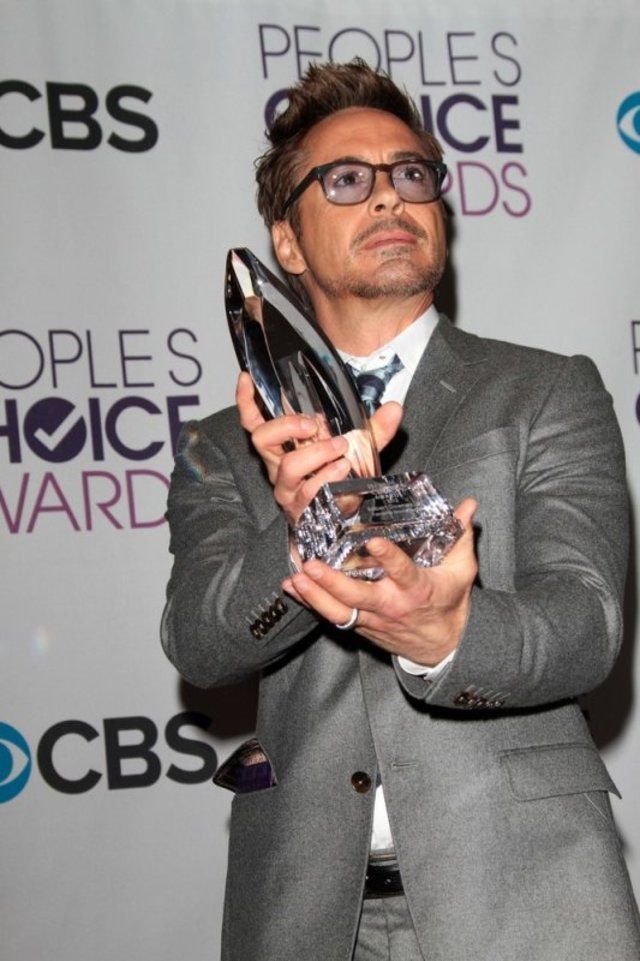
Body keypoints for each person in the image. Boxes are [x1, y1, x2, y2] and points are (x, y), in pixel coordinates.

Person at [161, 59, 640, 961]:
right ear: (287, 242)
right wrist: (300, 530)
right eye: (346, 179)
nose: (390, 196)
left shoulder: (546, 389)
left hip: (528, 897)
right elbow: (199, 641)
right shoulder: (225, 443)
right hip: (305, 913)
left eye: (412, 174)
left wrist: (449, 633)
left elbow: (588, 623)